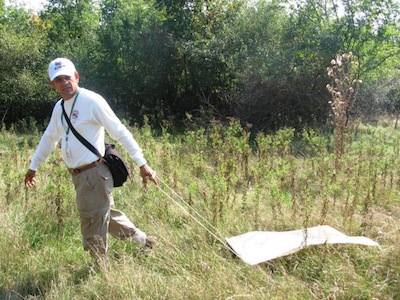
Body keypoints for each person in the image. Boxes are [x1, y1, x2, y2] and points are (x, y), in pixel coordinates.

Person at [25, 57, 157, 264]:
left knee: (92, 220)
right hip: (80, 177)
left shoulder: (92, 101)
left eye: (67, 77)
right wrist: (33, 167)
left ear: (76, 77)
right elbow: (49, 138)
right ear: (52, 84)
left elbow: (119, 132)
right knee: (105, 215)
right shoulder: (59, 108)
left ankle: (100, 268)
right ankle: (143, 242)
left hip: (93, 174)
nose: (64, 83)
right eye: (58, 80)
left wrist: (142, 163)